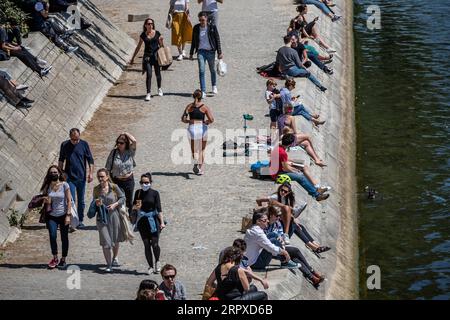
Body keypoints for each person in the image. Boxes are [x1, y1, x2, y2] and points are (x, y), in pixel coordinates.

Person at [270, 133, 329, 201]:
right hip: (277, 174)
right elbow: (286, 168)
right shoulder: (283, 153)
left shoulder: (278, 147)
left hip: (276, 169)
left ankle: (317, 188)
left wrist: (294, 165)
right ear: (290, 144)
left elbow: (283, 163)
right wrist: (295, 171)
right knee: (300, 177)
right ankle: (316, 195)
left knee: (302, 168)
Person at [90, 168, 126, 273]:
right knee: (106, 242)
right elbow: (94, 201)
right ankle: (108, 264)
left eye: (102, 176)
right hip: (101, 217)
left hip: (114, 216)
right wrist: (96, 203)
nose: (100, 178)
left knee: (114, 241)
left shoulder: (114, 187)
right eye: (99, 177)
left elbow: (122, 198)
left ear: (107, 177)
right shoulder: (96, 189)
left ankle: (115, 257)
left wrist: (115, 204)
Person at [58, 128, 94, 229]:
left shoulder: (84, 144)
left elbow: (90, 160)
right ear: (70, 137)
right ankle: (73, 221)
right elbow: (61, 160)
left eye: (77, 139)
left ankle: (80, 220)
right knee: (71, 199)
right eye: (73, 139)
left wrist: (90, 173)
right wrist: (61, 173)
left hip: (81, 177)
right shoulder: (64, 145)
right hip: (69, 178)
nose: (75, 141)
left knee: (81, 201)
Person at [132, 172, 166, 275]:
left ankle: (157, 261)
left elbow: (159, 208)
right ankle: (150, 266)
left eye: (146, 182)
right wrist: (134, 215)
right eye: (142, 182)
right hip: (142, 221)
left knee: (155, 244)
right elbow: (136, 207)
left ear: (150, 182)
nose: (144, 184)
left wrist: (162, 222)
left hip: (153, 221)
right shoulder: (138, 193)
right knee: (146, 244)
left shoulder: (155, 193)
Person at [40, 165, 72, 269]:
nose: (53, 174)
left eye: (55, 172)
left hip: (63, 215)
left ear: (59, 173)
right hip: (51, 216)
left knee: (64, 237)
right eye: (51, 172)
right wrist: (45, 200)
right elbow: (45, 200)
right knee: (52, 236)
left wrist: (68, 215)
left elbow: (69, 201)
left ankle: (63, 259)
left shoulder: (65, 185)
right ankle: (55, 257)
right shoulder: (47, 186)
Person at [189, 11, 223, 98]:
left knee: (212, 70)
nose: (201, 22)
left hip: (211, 51)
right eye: (200, 20)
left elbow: (217, 39)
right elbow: (193, 41)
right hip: (201, 52)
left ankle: (214, 86)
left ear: (206, 19)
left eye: (203, 20)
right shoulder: (196, 28)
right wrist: (191, 53)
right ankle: (203, 91)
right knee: (201, 70)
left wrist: (219, 52)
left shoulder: (212, 27)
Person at [129, 18, 164, 101]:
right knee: (149, 74)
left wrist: (161, 41)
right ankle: (148, 93)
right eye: (148, 24)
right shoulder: (143, 35)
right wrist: (133, 58)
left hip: (156, 57)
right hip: (147, 57)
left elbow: (162, 47)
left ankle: (159, 88)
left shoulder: (157, 33)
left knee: (157, 73)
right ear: (145, 25)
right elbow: (138, 47)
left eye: (151, 23)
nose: (150, 25)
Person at [181, 89, 214, 175]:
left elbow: (183, 119)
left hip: (192, 128)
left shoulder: (189, 106)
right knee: (202, 149)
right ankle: (200, 168)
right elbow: (211, 119)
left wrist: (190, 121)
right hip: (202, 128)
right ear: (201, 97)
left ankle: (196, 160)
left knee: (194, 150)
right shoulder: (204, 107)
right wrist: (206, 122)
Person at [105, 132, 137, 214]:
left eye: (121, 143)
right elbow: (107, 168)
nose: (119, 144)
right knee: (118, 200)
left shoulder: (130, 151)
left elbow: (134, 141)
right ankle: (120, 219)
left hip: (129, 181)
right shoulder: (113, 153)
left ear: (126, 143)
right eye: (117, 142)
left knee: (129, 201)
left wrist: (125, 133)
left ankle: (130, 218)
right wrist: (111, 182)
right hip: (117, 181)